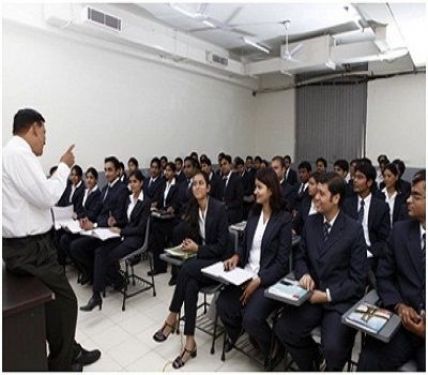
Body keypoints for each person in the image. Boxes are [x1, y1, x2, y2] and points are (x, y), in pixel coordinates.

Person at [2, 108, 100, 371]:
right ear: (33, 127)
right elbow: (48, 196)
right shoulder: (19, 154)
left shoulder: (12, 153)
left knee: (55, 306)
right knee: (67, 302)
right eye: (43, 133)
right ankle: (61, 363)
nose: (45, 139)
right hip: (30, 249)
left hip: (27, 247)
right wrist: (64, 165)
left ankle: (70, 350)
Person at [274, 172, 368, 371]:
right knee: (283, 329)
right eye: (315, 193)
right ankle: (312, 363)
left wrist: (326, 296)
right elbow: (300, 257)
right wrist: (304, 274)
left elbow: (358, 281)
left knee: (333, 348)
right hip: (311, 294)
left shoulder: (354, 230)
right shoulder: (311, 223)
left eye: (321, 194)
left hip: (337, 301)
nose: (315, 197)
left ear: (336, 198)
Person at [152, 171, 229, 369]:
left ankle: (172, 317)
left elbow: (221, 247)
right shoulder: (194, 208)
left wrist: (198, 249)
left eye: (201, 183)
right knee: (191, 286)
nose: (196, 187)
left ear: (209, 187)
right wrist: (188, 244)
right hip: (202, 263)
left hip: (219, 263)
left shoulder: (219, 209)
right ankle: (189, 343)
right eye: (194, 184)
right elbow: (192, 235)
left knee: (186, 269)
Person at [217, 167, 292, 362]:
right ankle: (241, 334)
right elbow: (244, 246)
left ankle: (271, 345)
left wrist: (259, 280)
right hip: (246, 274)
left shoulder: (284, 220)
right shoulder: (253, 214)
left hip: (267, 280)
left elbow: (282, 263)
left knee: (252, 318)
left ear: (271, 190)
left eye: (259, 187)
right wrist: (236, 257)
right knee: (223, 303)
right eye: (255, 187)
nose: (255, 192)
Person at [358, 170, 426, 371]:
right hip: (402, 325)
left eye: (416, 196)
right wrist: (399, 306)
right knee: (368, 362)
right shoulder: (400, 231)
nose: (407, 200)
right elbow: (384, 276)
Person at [80, 170, 151, 311]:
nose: (132, 184)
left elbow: (141, 229)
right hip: (123, 235)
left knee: (108, 257)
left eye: (135, 181)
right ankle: (97, 295)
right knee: (100, 251)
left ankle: (117, 280)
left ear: (141, 183)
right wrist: (115, 222)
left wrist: (121, 230)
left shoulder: (146, 202)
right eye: (130, 182)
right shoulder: (129, 199)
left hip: (136, 239)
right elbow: (125, 220)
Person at [69, 156, 129, 284]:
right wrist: (88, 221)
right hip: (101, 231)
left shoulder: (122, 189)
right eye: (105, 170)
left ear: (118, 171)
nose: (106, 173)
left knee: (99, 252)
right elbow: (100, 212)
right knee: (75, 247)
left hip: (114, 234)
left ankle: (115, 279)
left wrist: (96, 223)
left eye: (110, 170)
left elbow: (116, 217)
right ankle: (95, 274)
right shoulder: (105, 189)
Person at [342, 162, 390, 273]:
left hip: (370, 253)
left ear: (369, 182)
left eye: (360, 177)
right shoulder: (347, 204)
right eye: (354, 176)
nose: (354, 180)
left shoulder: (381, 207)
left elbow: (385, 240)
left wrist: (369, 252)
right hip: (348, 251)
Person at [58, 167, 103, 266]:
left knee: (75, 246)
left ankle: (88, 270)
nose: (88, 180)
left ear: (96, 179)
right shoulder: (85, 192)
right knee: (64, 239)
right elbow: (79, 209)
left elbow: (92, 214)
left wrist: (80, 216)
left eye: (91, 178)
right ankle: (78, 266)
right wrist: (80, 215)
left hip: (90, 227)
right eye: (87, 177)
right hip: (80, 224)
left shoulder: (98, 194)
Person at [149, 162, 181, 275]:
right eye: (165, 170)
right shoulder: (163, 184)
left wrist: (171, 208)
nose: (166, 172)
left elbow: (177, 203)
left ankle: (160, 266)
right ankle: (159, 265)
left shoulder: (178, 185)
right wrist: (155, 206)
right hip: (163, 215)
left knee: (157, 228)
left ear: (174, 172)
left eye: (169, 170)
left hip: (173, 218)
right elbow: (159, 199)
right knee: (153, 225)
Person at [376, 163, 408, 227]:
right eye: (384, 176)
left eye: (389, 176)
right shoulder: (378, 194)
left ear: (396, 177)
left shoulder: (402, 196)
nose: (386, 179)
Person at [292, 171, 322, 235]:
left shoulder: (325, 205)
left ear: (319, 186)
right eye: (308, 183)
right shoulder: (306, 201)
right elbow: (296, 222)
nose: (309, 186)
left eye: (312, 184)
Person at [219, 154, 244, 224]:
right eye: (221, 165)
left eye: (225, 164)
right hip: (223, 214)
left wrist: (226, 206)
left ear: (230, 165)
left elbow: (239, 200)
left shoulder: (237, 179)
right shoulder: (220, 180)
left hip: (234, 215)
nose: (223, 166)